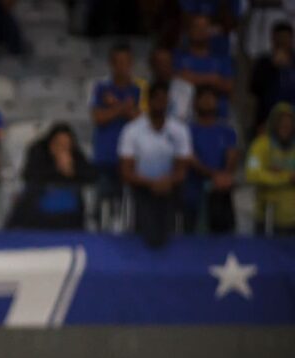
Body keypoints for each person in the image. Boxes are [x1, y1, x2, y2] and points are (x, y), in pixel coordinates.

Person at [119, 81, 192, 247]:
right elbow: (126, 171)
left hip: (169, 188)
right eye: (156, 99)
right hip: (142, 188)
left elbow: (182, 169)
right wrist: (152, 183)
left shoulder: (180, 130)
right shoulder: (132, 130)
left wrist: (167, 182)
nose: (160, 103)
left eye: (163, 99)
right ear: (148, 101)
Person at [7, 122, 95, 230]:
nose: (62, 147)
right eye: (59, 143)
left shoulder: (75, 155)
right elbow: (29, 174)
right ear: (51, 142)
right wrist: (57, 168)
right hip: (38, 200)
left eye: (66, 143)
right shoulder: (38, 150)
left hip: (68, 207)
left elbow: (91, 176)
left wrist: (71, 171)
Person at [90, 43, 142, 225]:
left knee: (128, 211)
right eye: (118, 62)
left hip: (130, 160)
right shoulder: (101, 88)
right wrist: (122, 107)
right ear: (111, 64)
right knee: (102, 206)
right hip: (105, 157)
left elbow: (142, 120)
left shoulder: (138, 89)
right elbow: (99, 118)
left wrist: (115, 106)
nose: (122, 66)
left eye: (126, 62)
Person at [184, 85, 238, 233]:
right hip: (194, 193)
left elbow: (232, 154)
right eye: (203, 98)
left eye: (211, 98)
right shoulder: (187, 130)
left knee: (223, 236)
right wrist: (213, 175)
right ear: (195, 102)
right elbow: (189, 157)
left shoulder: (227, 130)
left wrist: (224, 175)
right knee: (193, 236)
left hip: (221, 192)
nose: (207, 101)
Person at [245, 102, 295, 233]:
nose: (286, 127)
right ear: (274, 123)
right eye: (282, 123)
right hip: (267, 217)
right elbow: (252, 174)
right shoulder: (260, 145)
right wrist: (286, 177)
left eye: (289, 124)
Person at [174, 14, 235, 118]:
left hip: (218, 118)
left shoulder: (222, 59)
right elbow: (177, 80)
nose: (200, 31)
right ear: (189, 30)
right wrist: (212, 79)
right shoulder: (179, 57)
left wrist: (194, 78)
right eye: (197, 27)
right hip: (185, 115)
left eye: (204, 27)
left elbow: (229, 86)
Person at [249, 21, 295, 136]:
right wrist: (272, 67)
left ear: (291, 39)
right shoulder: (264, 63)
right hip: (267, 121)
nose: (283, 42)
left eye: (286, 38)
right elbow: (254, 88)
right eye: (279, 38)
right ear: (273, 39)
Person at [144, 45, 195, 122]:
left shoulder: (186, 89)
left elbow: (190, 119)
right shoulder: (143, 88)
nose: (162, 67)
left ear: (172, 64)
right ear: (152, 65)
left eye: (166, 62)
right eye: (159, 63)